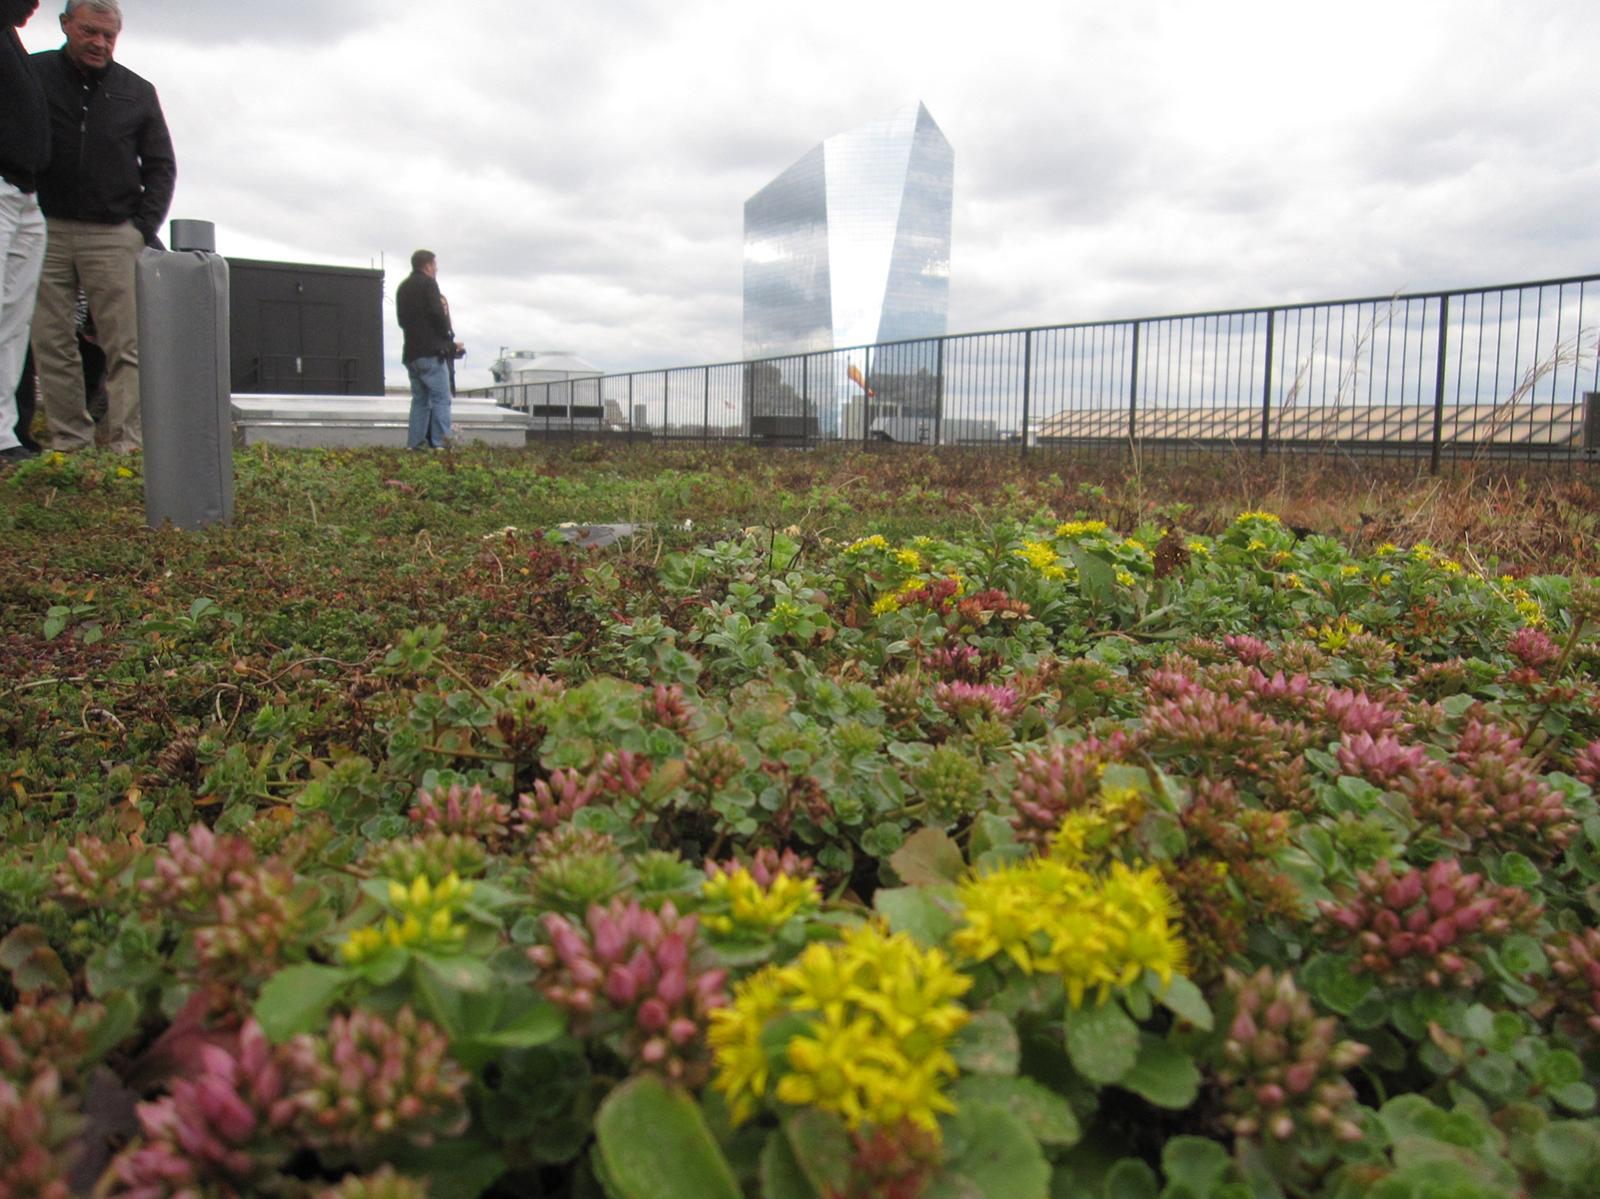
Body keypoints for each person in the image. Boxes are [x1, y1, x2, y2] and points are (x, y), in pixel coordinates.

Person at [31, 0, 175, 454]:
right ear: (65, 25)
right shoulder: (32, 76)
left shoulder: (138, 91)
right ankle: (68, 441)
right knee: (51, 342)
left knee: (125, 347)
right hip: (45, 228)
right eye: (90, 31)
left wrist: (139, 229)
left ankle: (125, 444)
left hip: (114, 235)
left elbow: (161, 166)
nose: (99, 43)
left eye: (109, 35)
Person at [0, 0, 50, 467]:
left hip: (26, 192)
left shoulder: (13, 40)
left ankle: (3, 432)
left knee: (13, 321)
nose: (34, 3)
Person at [396, 249, 464, 450]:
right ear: (427, 266)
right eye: (435, 265)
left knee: (420, 400)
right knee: (441, 399)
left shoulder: (403, 287)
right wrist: (448, 341)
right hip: (431, 353)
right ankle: (441, 443)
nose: (436, 269)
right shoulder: (429, 284)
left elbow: (402, 321)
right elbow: (436, 313)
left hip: (411, 353)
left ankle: (415, 444)